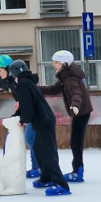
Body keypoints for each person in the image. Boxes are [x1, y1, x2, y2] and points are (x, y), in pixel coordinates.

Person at [9, 60, 70, 197]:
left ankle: (61, 184)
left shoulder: (24, 84)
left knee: (48, 153)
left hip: (44, 121)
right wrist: (19, 115)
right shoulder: (28, 82)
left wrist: (23, 119)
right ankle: (46, 177)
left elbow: (28, 106)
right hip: (44, 120)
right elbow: (27, 103)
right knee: (38, 149)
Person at [41, 51, 93, 183]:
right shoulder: (66, 76)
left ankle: (78, 172)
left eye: (56, 63)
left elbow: (76, 93)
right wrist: (36, 89)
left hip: (80, 112)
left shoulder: (70, 79)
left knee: (76, 143)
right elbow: (53, 90)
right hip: (80, 112)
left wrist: (75, 105)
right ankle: (78, 170)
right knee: (75, 142)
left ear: (64, 64)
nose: (54, 65)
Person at [0, 55, 40, 179]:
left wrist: (22, 113)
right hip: (27, 111)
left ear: (8, 69)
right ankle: (37, 166)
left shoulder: (18, 81)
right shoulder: (11, 82)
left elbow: (26, 98)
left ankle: (38, 167)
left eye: (0, 71)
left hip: (33, 112)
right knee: (30, 138)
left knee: (30, 138)